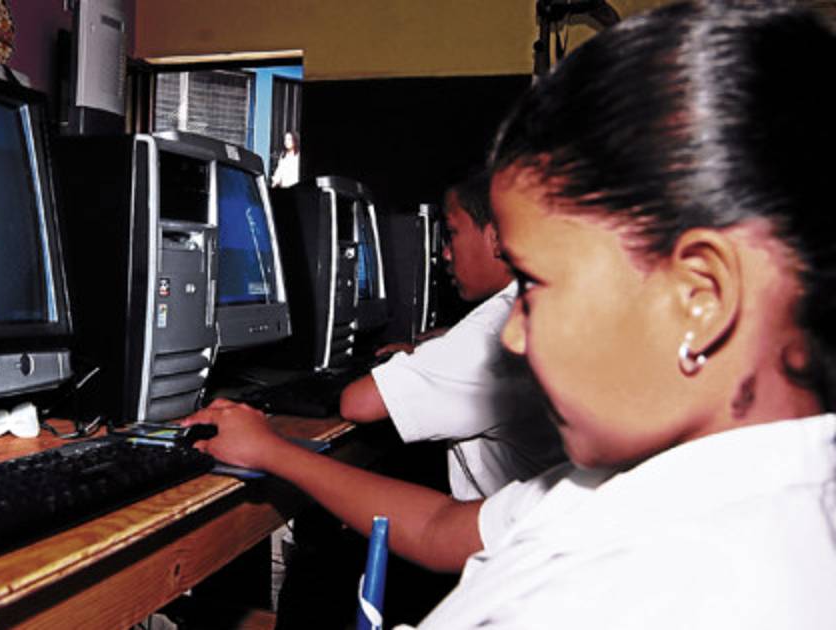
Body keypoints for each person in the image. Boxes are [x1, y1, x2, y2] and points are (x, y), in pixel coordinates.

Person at [185, 1, 836, 627]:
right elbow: (440, 527)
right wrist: (274, 452)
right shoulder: (644, 489)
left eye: (535, 284)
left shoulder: (691, 587)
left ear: (701, 297)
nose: (515, 335)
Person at [340, 170, 564, 500]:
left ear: (497, 238)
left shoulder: (492, 332)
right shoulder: (536, 302)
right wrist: (438, 348)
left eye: (453, 233)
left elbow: (358, 403)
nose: (445, 253)